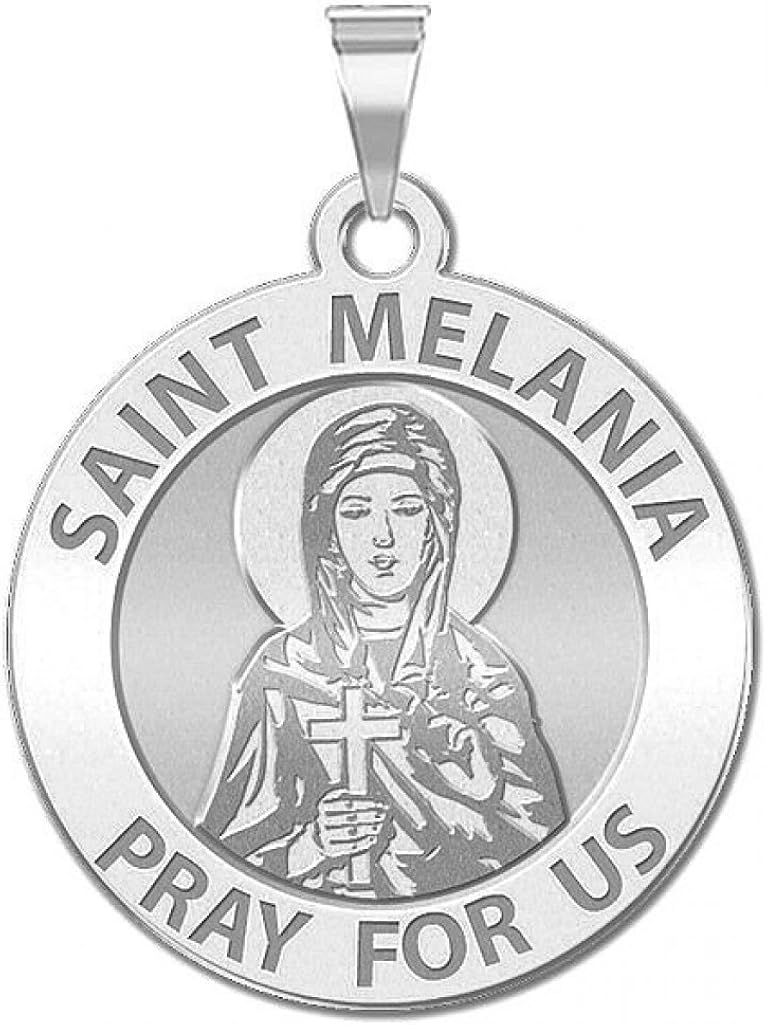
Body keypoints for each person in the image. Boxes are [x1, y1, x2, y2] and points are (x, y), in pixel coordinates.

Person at [197, 403, 565, 897]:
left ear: (437, 523)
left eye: (407, 509)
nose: (383, 537)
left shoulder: (480, 675)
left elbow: (543, 858)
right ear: (327, 529)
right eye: (356, 512)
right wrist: (313, 844)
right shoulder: (283, 672)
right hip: (316, 925)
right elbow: (220, 864)